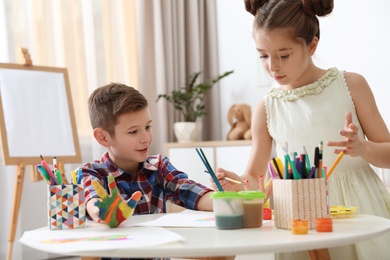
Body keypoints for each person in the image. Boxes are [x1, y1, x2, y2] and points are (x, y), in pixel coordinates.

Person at [215, 0, 390, 259]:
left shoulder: (351, 85)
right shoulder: (267, 107)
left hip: (358, 210)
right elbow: (255, 175)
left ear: (311, 45)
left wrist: (363, 148)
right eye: (263, 55)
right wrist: (237, 184)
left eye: (283, 55)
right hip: (299, 218)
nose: (272, 66)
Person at [77, 83, 232, 260]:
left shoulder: (158, 166)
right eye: (133, 131)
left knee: (222, 254)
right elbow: (92, 201)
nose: (146, 138)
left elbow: (189, 191)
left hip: (157, 254)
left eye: (148, 127)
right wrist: (104, 211)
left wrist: (228, 202)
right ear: (103, 137)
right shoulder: (91, 173)